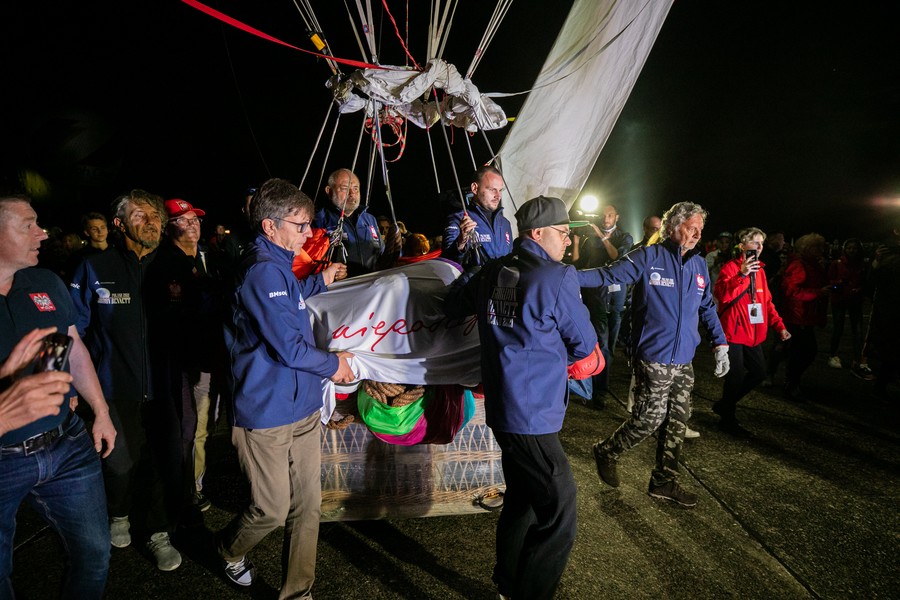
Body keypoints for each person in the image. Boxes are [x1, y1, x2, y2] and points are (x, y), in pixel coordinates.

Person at [445, 195, 598, 600]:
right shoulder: (557, 277)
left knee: (523, 500)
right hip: (533, 413)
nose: (568, 240)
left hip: (502, 406)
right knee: (560, 507)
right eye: (563, 232)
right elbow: (584, 344)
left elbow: (453, 304)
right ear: (538, 233)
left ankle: (508, 583)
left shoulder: (492, 270)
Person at [217, 178, 354, 596]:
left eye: (308, 223)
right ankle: (227, 549)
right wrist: (335, 365)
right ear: (270, 226)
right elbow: (290, 348)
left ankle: (298, 592)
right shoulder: (262, 270)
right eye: (300, 225)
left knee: (308, 508)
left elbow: (290, 299)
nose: (309, 233)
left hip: (303, 407)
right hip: (267, 414)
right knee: (272, 509)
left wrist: (319, 281)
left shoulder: (278, 264)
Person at [1, 193, 117, 599]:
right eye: (28, 225)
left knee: (95, 554)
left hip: (66, 444)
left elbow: (70, 346)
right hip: (3, 459)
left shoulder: (45, 282)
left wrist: (100, 410)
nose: (43, 233)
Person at [581, 201, 729, 508]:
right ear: (673, 227)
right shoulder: (649, 257)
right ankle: (607, 450)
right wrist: (563, 276)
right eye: (691, 228)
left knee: (678, 420)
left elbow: (706, 306)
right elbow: (609, 275)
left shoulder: (699, 265)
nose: (697, 235)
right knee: (649, 419)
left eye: (700, 229)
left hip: (683, 359)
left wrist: (720, 343)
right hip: (654, 355)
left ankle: (664, 482)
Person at [69, 190, 183, 571]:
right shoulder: (94, 267)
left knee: (165, 463)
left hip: (165, 389)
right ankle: (118, 514)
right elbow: (72, 331)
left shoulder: (173, 265)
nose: (151, 220)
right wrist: (68, 384)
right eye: (140, 215)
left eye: (155, 214)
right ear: (118, 224)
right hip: (114, 388)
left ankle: (158, 532)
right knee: (119, 464)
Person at [144, 198, 225, 519]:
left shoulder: (211, 255)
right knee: (191, 428)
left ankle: (195, 482)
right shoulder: (163, 263)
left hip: (213, 356)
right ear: (168, 228)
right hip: (185, 361)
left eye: (195, 219)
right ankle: (188, 490)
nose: (192, 225)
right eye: (182, 220)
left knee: (208, 425)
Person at [712, 228, 791, 436]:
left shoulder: (761, 271)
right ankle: (727, 418)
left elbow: (767, 302)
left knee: (758, 373)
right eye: (755, 242)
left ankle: (725, 404)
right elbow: (722, 296)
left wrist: (779, 326)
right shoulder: (731, 267)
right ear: (742, 246)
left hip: (753, 332)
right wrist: (742, 274)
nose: (759, 247)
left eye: (761, 243)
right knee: (735, 377)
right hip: (733, 331)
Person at [571, 204, 633, 407]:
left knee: (610, 345)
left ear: (617, 217)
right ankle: (597, 392)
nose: (606, 219)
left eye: (610, 215)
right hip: (596, 296)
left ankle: (600, 387)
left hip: (616, 298)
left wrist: (602, 236)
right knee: (601, 342)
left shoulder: (625, 238)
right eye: (603, 215)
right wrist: (577, 241)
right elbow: (578, 262)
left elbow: (617, 257)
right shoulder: (591, 239)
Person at [312, 168, 399, 277]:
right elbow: (310, 263)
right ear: (329, 191)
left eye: (356, 188)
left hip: (373, 283)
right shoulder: (318, 220)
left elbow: (380, 255)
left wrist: (394, 249)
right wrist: (332, 273)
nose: (352, 193)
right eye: (344, 188)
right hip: (342, 286)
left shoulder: (370, 219)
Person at [780, 233, 829, 401]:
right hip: (798, 315)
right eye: (817, 247)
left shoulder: (813, 265)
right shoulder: (799, 265)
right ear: (807, 248)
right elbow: (792, 291)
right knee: (804, 351)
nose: (821, 250)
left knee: (801, 351)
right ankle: (790, 382)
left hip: (805, 315)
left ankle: (791, 381)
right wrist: (818, 293)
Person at [441, 165, 513, 266]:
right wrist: (460, 242)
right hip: (475, 276)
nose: (498, 196)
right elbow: (447, 263)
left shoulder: (505, 223)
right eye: (492, 189)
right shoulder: (459, 219)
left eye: (500, 190)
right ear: (475, 188)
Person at [826, 238, 870, 377]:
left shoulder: (862, 264)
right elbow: (829, 281)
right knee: (838, 329)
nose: (852, 250)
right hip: (839, 300)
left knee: (857, 331)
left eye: (854, 248)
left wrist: (860, 289)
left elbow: (866, 282)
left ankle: (857, 359)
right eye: (849, 248)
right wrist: (838, 285)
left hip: (855, 301)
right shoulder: (837, 263)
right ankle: (833, 355)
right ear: (844, 249)